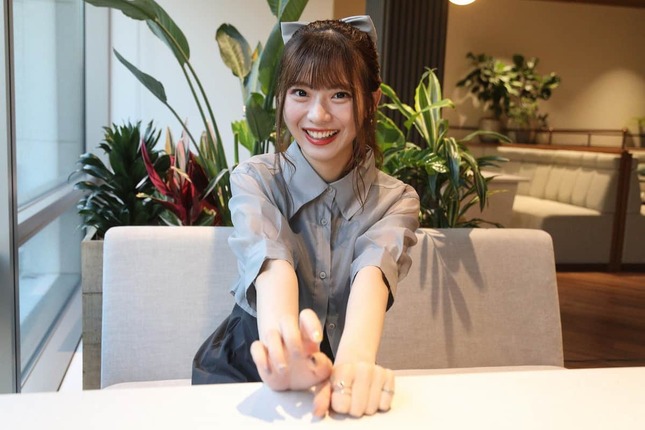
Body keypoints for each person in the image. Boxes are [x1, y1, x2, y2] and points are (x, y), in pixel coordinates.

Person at [192, 15, 420, 418]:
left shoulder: (395, 200)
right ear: (282, 97)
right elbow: (273, 269)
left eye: (340, 95)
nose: (317, 115)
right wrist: (284, 351)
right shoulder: (255, 179)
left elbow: (372, 280)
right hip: (241, 369)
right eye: (300, 92)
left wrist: (353, 367)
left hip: (329, 374)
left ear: (372, 102)